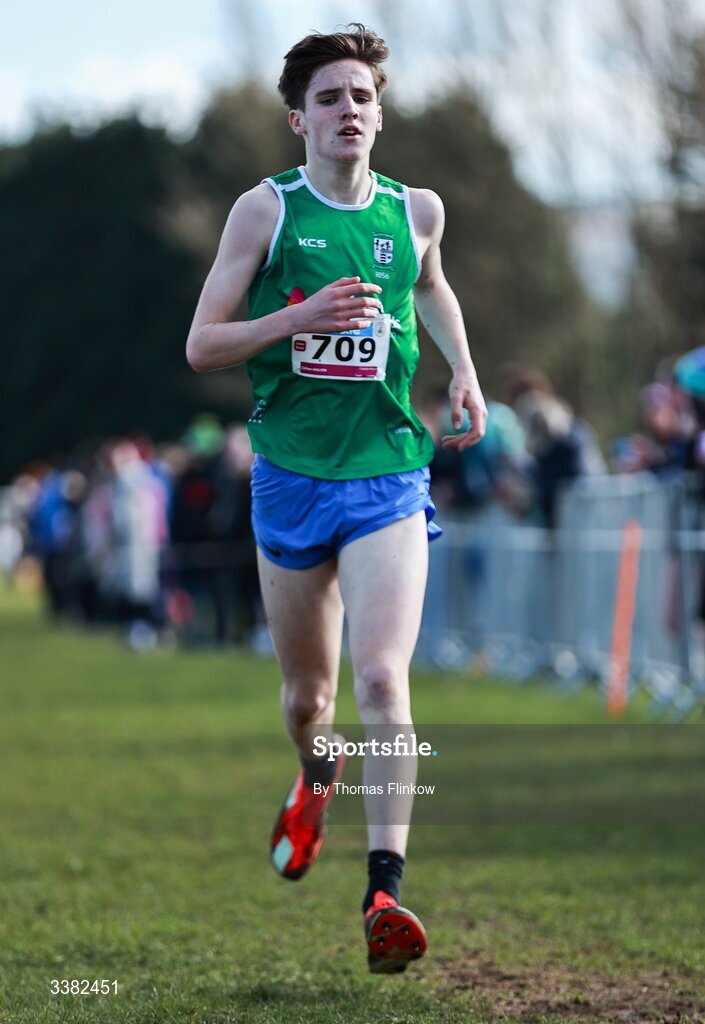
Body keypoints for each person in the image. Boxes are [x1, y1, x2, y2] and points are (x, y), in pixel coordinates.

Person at [186, 24, 487, 973]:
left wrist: (465, 372)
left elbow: (431, 287)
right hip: (289, 475)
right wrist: (298, 317)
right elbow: (203, 344)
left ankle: (385, 888)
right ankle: (315, 771)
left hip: (388, 473)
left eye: (361, 95)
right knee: (308, 697)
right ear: (298, 120)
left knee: (382, 682)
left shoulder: (418, 210)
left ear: (379, 113)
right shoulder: (263, 213)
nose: (347, 110)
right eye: (329, 98)